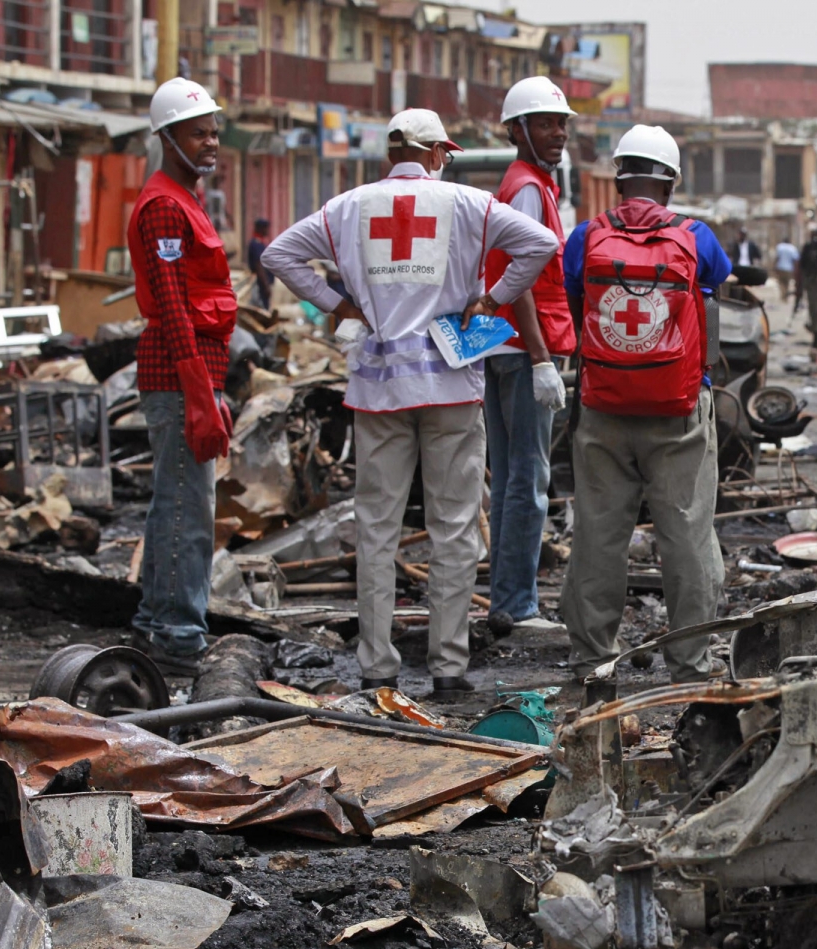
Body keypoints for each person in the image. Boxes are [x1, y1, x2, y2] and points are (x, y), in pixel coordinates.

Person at [263, 108, 559, 694]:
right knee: (453, 529)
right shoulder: (467, 204)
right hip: (450, 386)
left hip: (378, 391)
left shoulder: (347, 207)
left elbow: (278, 257)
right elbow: (542, 243)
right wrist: (492, 299)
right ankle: (449, 668)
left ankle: (377, 668)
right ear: (435, 154)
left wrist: (339, 304)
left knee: (377, 528)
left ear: (391, 154)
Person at [559, 124, 732, 683]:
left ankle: (592, 662)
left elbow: (575, 300)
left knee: (598, 534)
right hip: (678, 409)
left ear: (619, 178)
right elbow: (716, 291)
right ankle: (690, 663)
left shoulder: (586, 237)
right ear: (671, 182)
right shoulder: (697, 236)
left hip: (603, 406)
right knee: (687, 535)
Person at [127, 78, 237, 676]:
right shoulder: (166, 206)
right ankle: (174, 636)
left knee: (180, 503)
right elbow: (172, 304)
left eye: (214, 131)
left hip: (189, 374)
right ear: (168, 138)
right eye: (198, 132)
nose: (211, 141)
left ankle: (159, 624)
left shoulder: (184, 200)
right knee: (183, 511)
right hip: (177, 375)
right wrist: (198, 391)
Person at [480, 77, 575, 631]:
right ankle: (515, 605)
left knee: (514, 476)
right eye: (545, 123)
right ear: (519, 130)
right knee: (527, 480)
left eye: (561, 123)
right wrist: (542, 359)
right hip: (521, 351)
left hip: (507, 345)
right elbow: (523, 278)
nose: (558, 133)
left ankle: (508, 602)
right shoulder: (527, 189)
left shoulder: (527, 183)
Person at [246, 218, 273, 309]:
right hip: (260, 284)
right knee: (261, 308)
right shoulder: (256, 244)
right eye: (265, 228)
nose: (267, 230)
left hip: (262, 283)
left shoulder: (261, 242)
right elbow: (259, 265)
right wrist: (266, 285)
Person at [772, 235, 799, 304]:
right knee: (787, 283)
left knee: (781, 282)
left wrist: (774, 266)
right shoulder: (792, 248)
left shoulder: (780, 247)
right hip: (789, 268)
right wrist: (796, 269)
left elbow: (777, 257)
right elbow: (795, 260)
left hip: (780, 267)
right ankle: (785, 296)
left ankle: (783, 296)